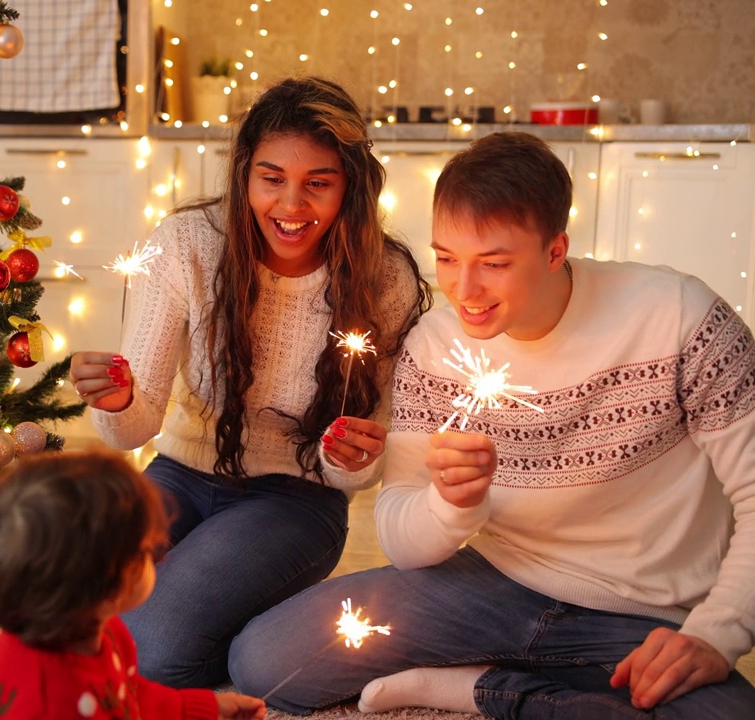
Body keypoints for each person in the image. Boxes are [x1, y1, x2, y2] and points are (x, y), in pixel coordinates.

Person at [228, 132, 755, 719]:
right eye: (448, 259)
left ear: (556, 251)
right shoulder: (435, 348)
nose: (464, 291)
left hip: (641, 614)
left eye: (494, 264)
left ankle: (481, 690)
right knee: (265, 663)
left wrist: (716, 633)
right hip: (490, 587)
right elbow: (402, 536)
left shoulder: (681, 319)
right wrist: (453, 505)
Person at [67, 75, 432, 688]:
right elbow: (131, 431)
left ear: (351, 187)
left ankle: (251, 640)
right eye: (272, 179)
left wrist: (350, 456)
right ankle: (233, 610)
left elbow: (358, 469)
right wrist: (119, 398)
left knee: (152, 653)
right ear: (244, 176)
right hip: (178, 475)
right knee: (68, 610)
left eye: (318, 184)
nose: (291, 207)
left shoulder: (383, 279)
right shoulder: (188, 245)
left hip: (295, 499)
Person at [0, 450, 266, 719]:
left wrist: (200, 709)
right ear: (109, 590)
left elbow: (125, 694)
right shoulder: (48, 703)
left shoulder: (104, 630)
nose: (159, 556)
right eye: (148, 550)